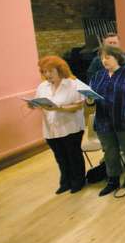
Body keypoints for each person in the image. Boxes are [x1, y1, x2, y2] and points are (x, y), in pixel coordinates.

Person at [87, 45, 125, 196]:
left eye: (107, 57)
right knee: (109, 152)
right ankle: (113, 180)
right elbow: (91, 102)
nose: (104, 60)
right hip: (103, 122)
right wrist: (89, 100)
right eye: (102, 58)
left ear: (117, 58)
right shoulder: (98, 76)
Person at [33, 56, 86, 194]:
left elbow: (78, 107)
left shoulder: (73, 84)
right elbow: (40, 102)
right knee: (60, 157)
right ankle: (65, 181)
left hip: (70, 127)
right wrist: (33, 105)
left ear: (60, 69)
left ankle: (78, 180)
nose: (47, 75)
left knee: (73, 155)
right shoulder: (42, 87)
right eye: (44, 72)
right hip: (51, 129)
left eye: (50, 71)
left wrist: (58, 108)